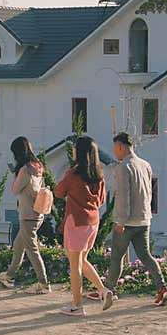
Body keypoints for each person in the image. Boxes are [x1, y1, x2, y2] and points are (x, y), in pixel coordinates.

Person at [101, 131, 167, 310]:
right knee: (146, 255)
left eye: (115, 148)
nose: (115, 152)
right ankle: (162, 287)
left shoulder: (124, 167)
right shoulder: (145, 164)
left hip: (128, 221)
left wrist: (121, 222)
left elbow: (123, 196)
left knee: (116, 257)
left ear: (120, 147)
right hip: (144, 218)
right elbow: (148, 192)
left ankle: (109, 290)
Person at [53, 136, 114, 317]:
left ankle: (77, 306)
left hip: (77, 221)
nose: (72, 151)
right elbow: (102, 200)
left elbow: (58, 192)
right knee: (82, 261)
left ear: (79, 153)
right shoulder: (99, 175)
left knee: (75, 266)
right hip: (93, 223)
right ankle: (103, 291)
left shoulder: (73, 174)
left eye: (74, 148)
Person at [0, 137, 51, 294]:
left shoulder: (25, 170)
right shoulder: (38, 167)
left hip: (27, 215)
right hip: (37, 213)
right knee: (19, 246)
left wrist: (15, 175)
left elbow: (15, 189)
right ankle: (9, 277)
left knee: (32, 250)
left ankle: (44, 283)